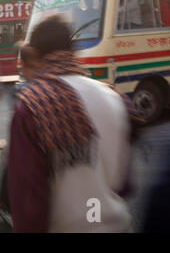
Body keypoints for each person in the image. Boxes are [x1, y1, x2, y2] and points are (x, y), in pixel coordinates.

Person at [8, 16, 140, 232]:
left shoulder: (32, 106)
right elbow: (125, 185)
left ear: (35, 54)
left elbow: (29, 204)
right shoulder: (114, 97)